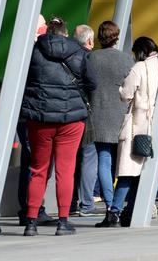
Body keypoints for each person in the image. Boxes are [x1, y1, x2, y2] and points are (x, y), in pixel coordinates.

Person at [21, 17, 97, 236]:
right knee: (66, 170)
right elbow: (93, 83)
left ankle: (31, 223)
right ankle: (63, 222)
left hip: (40, 118)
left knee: (38, 170)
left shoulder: (34, 51)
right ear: (65, 33)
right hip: (71, 120)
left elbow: (23, 80)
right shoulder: (79, 52)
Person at [112, 37, 158, 227]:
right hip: (157, 124)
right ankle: (134, 209)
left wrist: (120, 89)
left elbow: (127, 94)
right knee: (146, 171)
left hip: (138, 125)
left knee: (128, 171)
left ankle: (114, 211)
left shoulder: (140, 67)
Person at [86, 21, 134, 227]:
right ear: (116, 36)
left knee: (104, 161)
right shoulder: (126, 59)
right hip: (121, 115)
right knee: (122, 162)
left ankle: (110, 209)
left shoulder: (91, 57)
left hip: (98, 114)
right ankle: (117, 205)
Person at [17, 14, 55, 226]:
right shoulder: (34, 52)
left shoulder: (23, 52)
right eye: (42, 26)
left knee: (30, 163)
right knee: (36, 163)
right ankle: (33, 209)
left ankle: (29, 208)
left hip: (25, 114)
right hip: (32, 114)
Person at [71, 24, 100, 216]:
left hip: (69, 112)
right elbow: (93, 83)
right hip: (87, 114)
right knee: (90, 157)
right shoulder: (89, 58)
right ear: (90, 41)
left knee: (71, 160)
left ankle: (71, 204)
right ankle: (87, 203)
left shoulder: (69, 56)